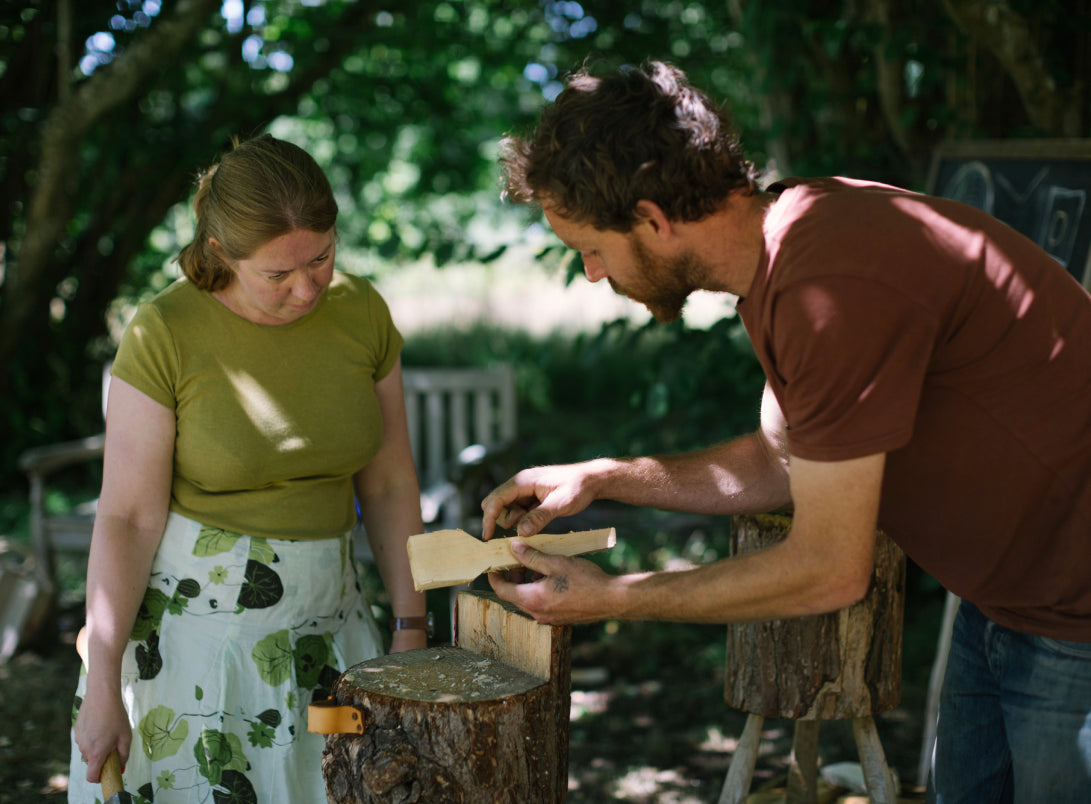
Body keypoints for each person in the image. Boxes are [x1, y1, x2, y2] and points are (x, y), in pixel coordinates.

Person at [482, 60, 1091, 802]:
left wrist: (615, 598)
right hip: (1007, 603)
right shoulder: (789, 248)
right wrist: (603, 478)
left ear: (650, 219)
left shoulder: (829, 281)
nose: (590, 272)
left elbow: (829, 568)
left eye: (591, 247)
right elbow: (781, 462)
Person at [70, 134, 428, 803]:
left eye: (321, 257)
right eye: (276, 274)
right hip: (194, 655)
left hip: (334, 639)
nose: (306, 288)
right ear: (219, 254)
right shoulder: (164, 331)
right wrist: (103, 682)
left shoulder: (361, 312)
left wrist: (410, 628)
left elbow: (388, 482)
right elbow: (125, 516)